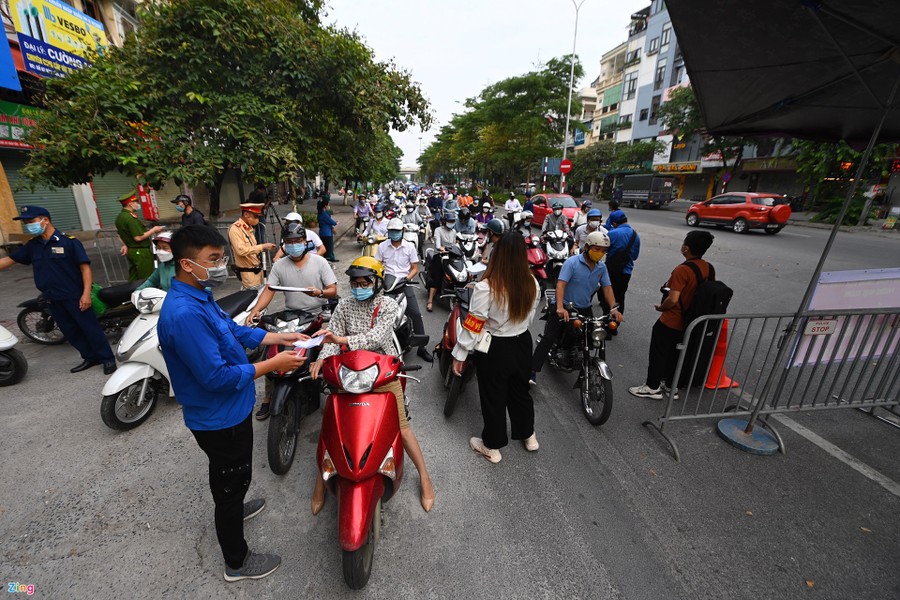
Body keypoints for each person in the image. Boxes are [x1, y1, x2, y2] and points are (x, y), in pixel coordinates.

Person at [158, 225, 307, 582]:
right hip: (218, 418)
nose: (221, 264)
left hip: (232, 409)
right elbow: (216, 378)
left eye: (221, 256)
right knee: (229, 481)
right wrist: (273, 364)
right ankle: (236, 563)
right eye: (213, 259)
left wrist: (276, 336)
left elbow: (233, 330)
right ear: (186, 263)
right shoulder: (184, 313)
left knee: (231, 474)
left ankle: (236, 501)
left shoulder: (200, 294)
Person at [309, 257, 435, 513]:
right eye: (354, 283)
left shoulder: (387, 305)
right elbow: (332, 336)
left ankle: (425, 477)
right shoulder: (344, 305)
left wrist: (341, 338)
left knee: (403, 427)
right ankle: (321, 483)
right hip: (348, 373)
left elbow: (377, 336)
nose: (358, 287)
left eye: (364, 282)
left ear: (376, 282)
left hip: (382, 375)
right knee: (330, 427)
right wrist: (322, 359)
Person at [452, 233, 541, 463]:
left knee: (494, 396)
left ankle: (492, 446)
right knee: (520, 391)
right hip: (522, 342)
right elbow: (531, 315)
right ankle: (528, 435)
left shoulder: (486, 287)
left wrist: (460, 353)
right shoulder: (531, 282)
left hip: (495, 347)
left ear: (497, 255)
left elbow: (473, 324)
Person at [0, 205, 117, 374]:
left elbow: (85, 269)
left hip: (74, 295)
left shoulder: (69, 241)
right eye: (26, 222)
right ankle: (90, 357)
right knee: (70, 331)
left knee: (90, 329)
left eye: (30, 221)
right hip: (51, 297)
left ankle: (107, 359)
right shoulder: (33, 245)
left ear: (45, 220)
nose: (28, 226)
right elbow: (9, 260)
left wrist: (85, 294)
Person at [247, 223, 338, 420]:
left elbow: (333, 290)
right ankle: (268, 398)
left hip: (315, 315)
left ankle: (331, 386)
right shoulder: (280, 265)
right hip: (290, 317)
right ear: (283, 244)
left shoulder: (319, 262)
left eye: (297, 241)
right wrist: (256, 309)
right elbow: (270, 289)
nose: (294, 245)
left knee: (325, 350)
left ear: (305, 242)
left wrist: (319, 292)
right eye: (289, 242)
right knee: (273, 353)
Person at [629, 231, 714, 400]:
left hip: (671, 321)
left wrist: (661, 308)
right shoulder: (708, 268)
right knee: (677, 355)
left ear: (686, 248)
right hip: (691, 321)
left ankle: (652, 387)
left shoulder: (683, 270)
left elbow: (673, 298)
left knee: (659, 354)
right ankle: (671, 386)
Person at [530, 230, 623, 384]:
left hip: (584, 308)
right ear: (587, 247)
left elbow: (607, 288)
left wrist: (614, 308)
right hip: (564, 305)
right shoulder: (572, 263)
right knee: (549, 338)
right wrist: (560, 307)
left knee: (593, 336)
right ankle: (532, 371)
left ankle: (581, 360)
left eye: (603, 250)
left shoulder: (601, 268)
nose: (600, 253)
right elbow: (560, 285)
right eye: (596, 249)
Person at [376, 219, 433, 363]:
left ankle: (422, 348)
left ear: (402, 231)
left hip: (403, 284)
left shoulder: (409, 247)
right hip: (387, 286)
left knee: (415, 313)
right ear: (388, 232)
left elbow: (415, 268)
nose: (394, 234)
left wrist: (406, 278)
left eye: (397, 231)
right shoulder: (382, 246)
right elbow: (377, 266)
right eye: (392, 231)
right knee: (377, 312)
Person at [115, 190, 163, 281]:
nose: (138, 204)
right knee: (146, 278)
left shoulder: (120, 217)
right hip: (140, 252)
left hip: (132, 251)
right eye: (136, 202)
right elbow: (138, 237)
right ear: (130, 204)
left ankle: (130, 294)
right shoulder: (130, 218)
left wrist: (125, 244)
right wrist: (153, 230)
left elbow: (120, 234)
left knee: (134, 277)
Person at [228, 203, 277, 289]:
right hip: (248, 273)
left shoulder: (248, 228)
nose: (258, 219)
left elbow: (251, 249)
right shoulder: (235, 229)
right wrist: (262, 246)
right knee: (253, 298)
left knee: (261, 296)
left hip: (258, 270)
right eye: (256, 216)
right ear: (246, 214)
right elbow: (241, 250)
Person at [601, 211, 640, 315]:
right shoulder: (636, 235)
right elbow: (635, 257)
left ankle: (607, 322)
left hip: (611, 271)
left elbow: (604, 250)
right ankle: (615, 324)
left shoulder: (612, 234)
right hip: (626, 272)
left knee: (608, 295)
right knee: (620, 297)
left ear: (614, 223)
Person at [426, 211, 458, 312]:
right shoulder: (438, 230)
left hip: (450, 257)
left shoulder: (453, 232)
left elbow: (454, 244)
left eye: (453, 221)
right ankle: (430, 301)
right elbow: (438, 244)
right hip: (439, 256)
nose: (451, 223)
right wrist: (441, 248)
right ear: (445, 221)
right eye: (449, 221)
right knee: (437, 279)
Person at [317, 196, 338, 262]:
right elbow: (331, 222)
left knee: (328, 247)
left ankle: (329, 258)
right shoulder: (323, 214)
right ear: (325, 205)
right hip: (326, 233)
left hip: (324, 232)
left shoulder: (321, 213)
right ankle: (329, 259)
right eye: (328, 204)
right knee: (329, 247)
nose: (329, 205)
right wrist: (336, 222)